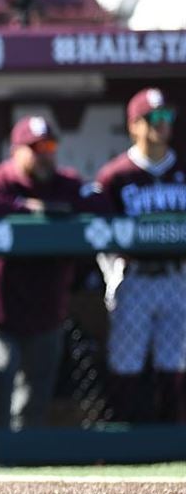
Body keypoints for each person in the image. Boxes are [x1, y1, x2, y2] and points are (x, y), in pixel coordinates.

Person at [0, 116, 96, 430]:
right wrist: (33, 209)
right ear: (16, 150)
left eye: (48, 146)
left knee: (35, 397)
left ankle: (27, 467)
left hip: (48, 310)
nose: (43, 154)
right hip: (3, 313)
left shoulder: (67, 182)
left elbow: (99, 204)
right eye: (35, 148)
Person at [94, 88, 186, 423]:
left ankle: (174, 441)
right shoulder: (116, 175)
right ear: (134, 125)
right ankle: (126, 442)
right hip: (135, 278)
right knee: (126, 365)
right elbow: (99, 233)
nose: (162, 125)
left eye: (167, 117)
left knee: (175, 366)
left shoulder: (182, 167)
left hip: (177, 277)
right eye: (154, 118)